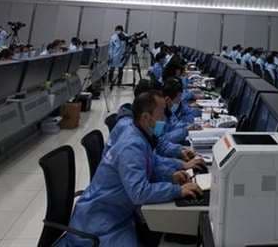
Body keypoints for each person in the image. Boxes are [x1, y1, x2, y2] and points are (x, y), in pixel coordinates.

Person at [58, 91, 201, 247]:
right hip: (99, 224)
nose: (164, 121)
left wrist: (171, 177)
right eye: (161, 116)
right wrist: (177, 191)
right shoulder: (131, 146)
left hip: (116, 214)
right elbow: (139, 192)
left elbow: (150, 165)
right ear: (146, 118)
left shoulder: (140, 135)